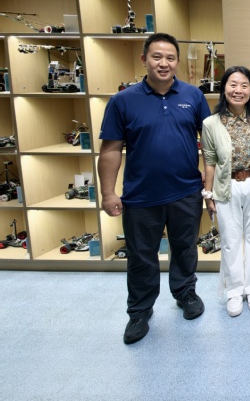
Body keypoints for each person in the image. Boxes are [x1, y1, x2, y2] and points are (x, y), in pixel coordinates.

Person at [98, 32, 211, 345]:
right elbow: (110, 150)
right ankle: (139, 310)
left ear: (177, 62)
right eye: (157, 57)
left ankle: (185, 293)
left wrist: (209, 179)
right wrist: (108, 193)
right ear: (144, 59)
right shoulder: (123, 101)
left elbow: (210, 143)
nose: (164, 63)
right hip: (141, 196)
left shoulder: (193, 95)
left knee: (185, 248)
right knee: (141, 256)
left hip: (186, 191)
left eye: (170, 58)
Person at [201, 66, 250, 317]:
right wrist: (208, 194)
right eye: (233, 84)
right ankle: (234, 290)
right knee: (230, 241)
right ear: (224, 88)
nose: (238, 90)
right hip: (226, 187)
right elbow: (209, 161)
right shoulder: (210, 124)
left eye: (244, 85)